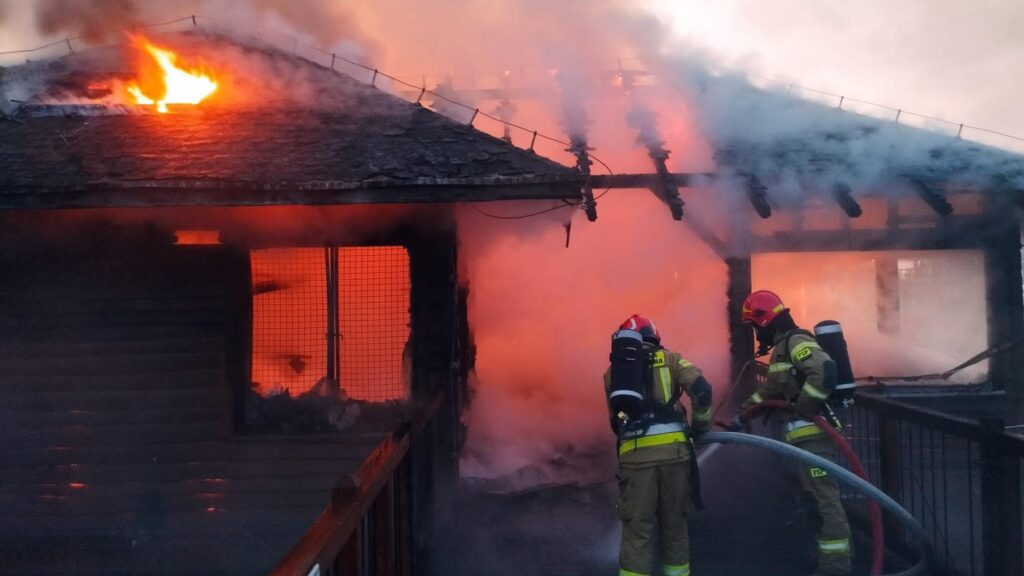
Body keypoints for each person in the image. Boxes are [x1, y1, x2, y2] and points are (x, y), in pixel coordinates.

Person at [736, 290, 852, 576]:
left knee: (824, 502)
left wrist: (803, 407)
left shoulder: (796, 342)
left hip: (815, 438)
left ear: (764, 320)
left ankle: (836, 568)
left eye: (755, 326)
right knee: (813, 502)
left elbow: (823, 371)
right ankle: (822, 561)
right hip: (805, 442)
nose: (756, 334)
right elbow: (771, 390)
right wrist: (745, 413)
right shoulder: (781, 350)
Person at [605, 314, 713, 576]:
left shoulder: (613, 373)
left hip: (635, 460)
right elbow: (702, 390)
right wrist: (700, 428)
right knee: (675, 527)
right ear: (654, 336)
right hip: (675, 456)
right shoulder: (672, 359)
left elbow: (615, 422)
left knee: (637, 531)